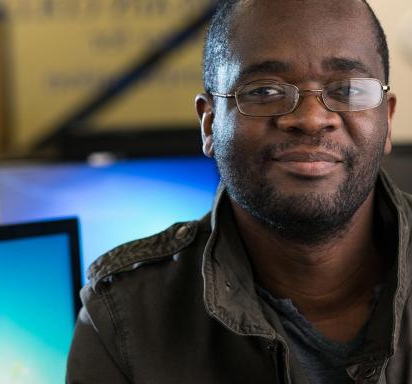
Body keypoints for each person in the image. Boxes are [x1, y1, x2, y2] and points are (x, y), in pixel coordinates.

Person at [67, 0, 411, 382]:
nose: (312, 119)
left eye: (347, 89)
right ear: (210, 123)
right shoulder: (123, 319)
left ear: (387, 117)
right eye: (264, 91)